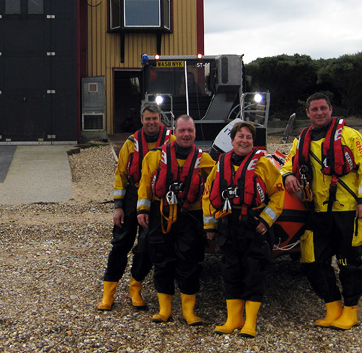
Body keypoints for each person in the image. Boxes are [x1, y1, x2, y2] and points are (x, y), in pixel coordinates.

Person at [281, 93, 362, 330]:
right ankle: (332, 306)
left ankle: (350, 311)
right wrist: (289, 175)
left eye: (323, 108)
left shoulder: (350, 136)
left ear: (331, 109)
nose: (319, 113)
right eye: (314, 109)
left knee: (349, 261)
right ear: (308, 113)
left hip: (348, 210)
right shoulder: (301, 139)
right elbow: (288, 163)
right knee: (311, 260)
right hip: (318, 210)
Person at [202, 121, 284, 338]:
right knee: (231, 273)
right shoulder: (221, 164)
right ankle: (233, 319)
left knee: (253, 274)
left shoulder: (264, 165)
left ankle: (250, 323)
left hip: (254, 227)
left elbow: (278, 194)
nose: (244, 140)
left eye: (248, 137)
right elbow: (208, 194)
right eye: (241, 136)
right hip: (229, 226)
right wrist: (210, 226)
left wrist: (265, 221)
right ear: (232, 140)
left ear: (253, 142)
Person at [136, 115, 215, 325]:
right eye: (182, 131)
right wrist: (142, 210)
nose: (186, 135)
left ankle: (189, 311)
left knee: (189, 262)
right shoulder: (155, 157)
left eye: (190, 131)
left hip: (190, 217)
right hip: (160, 214)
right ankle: (165, 310)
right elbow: (145, 183)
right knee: (161, 261)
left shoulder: (204, 160)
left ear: (195, 133)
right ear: (174, 132)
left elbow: (220, 179)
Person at [98, 102, 174, 311]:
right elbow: (120, 175)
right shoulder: (130, 144)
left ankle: (135, 287)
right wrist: (118, 206)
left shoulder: (172, 142)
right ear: (141, 120)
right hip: (132, 196)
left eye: (155, 118)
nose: (151, 122)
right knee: (120, 244)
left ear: (161, 120)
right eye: (147, 119)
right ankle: (108, 293)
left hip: (156, 199)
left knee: (147, 246)